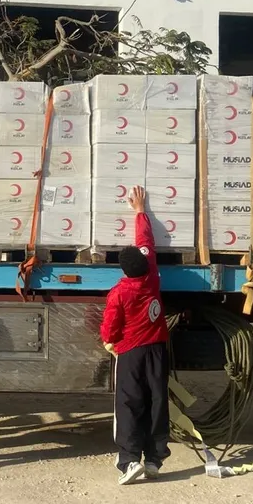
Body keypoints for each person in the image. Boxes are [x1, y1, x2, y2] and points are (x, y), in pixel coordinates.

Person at [100, 186, 171, 485]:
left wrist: (108, 342)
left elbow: (110, 326)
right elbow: (146, 242)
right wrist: (141, 212)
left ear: (124, 271)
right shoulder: (152, 274)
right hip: (157, 349)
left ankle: (129, 461)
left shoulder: (119, 293)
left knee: (128, 404)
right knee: (157, 401)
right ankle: (154, 459)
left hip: (130, 352)